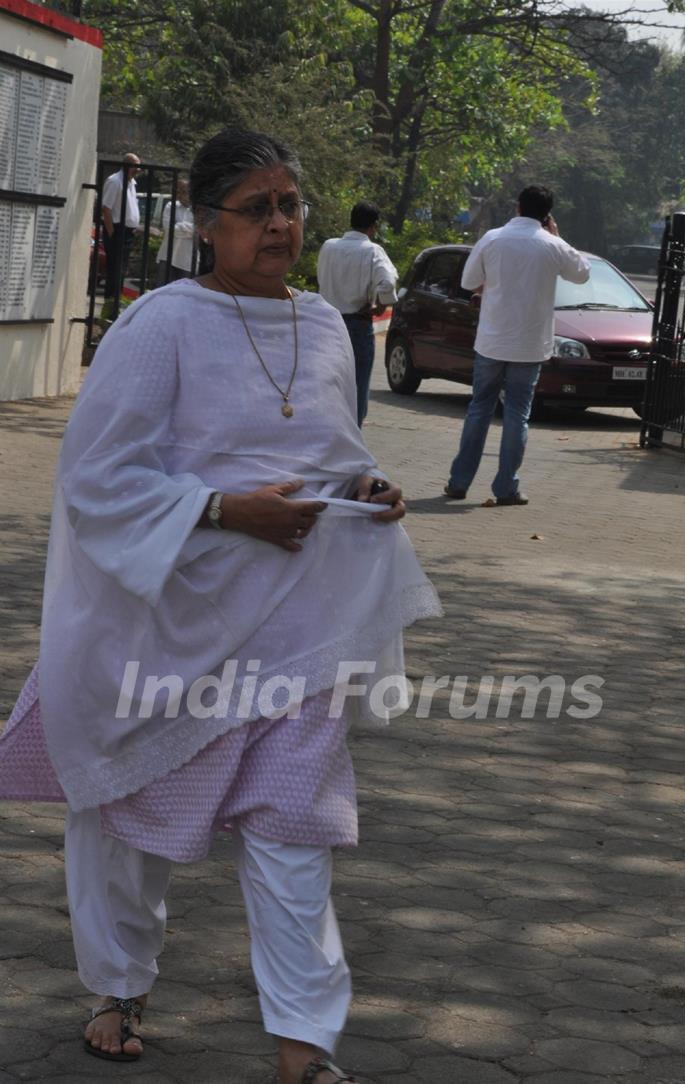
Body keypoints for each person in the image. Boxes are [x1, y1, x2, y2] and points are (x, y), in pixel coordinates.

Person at [0, 127, 441, 1084]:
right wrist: (218, 509)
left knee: (295, 832)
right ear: (206, 226)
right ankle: (118, 987)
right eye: (258, 209)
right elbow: (96, 476)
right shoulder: (161, 323)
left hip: (295, 628)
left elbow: (332, 451)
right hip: (167, 629)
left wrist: (370, 492)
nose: (280, 224)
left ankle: (303, 1047)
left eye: (291, 204)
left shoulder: (325, 324)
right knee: (128, 820)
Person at [445, 185, 591, 504]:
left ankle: (458, 482)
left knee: (479, 409)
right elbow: (582, 273)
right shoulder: (552, 244)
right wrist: (557, 235)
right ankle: (506, 487)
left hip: (492, 342)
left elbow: (468, 282)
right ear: (547, 215)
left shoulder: (493, 238)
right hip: (529, 345)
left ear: (518, 207)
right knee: (517, 414)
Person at [317, 202, 398, 426]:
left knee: (327, 385)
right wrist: (380, 307)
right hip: (356, 325)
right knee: (357, 388)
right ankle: (352, 440)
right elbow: (387, 282)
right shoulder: (372, 251)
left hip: (325, 324)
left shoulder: (328, 247)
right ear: (373, 226)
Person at [100, 152, 142, 320]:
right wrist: (111, 232)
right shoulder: (115, 181)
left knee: (121, 271)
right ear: (127, 165)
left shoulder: (132, 183)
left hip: (127, 232)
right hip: (117, 231)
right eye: (135, 165)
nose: (138, 169)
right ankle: (109, 310)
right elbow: (106, 208)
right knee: (115, 271)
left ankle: (115, 308)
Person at [155, 178, 197, 284]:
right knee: (162, 290)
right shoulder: (170, 206)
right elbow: (168, 228)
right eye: (177, 191)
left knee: (185, 293)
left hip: (187, 260)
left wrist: (178, 226)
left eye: (183, 191)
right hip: (167, 256)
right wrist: (188, 229)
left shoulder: (198, 209)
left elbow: (198, 230)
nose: (179, 194)